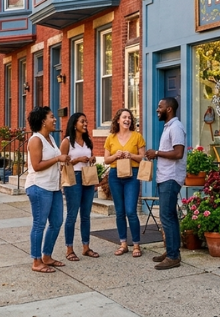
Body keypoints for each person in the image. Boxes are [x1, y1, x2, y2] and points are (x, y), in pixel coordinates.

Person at [25, 106, 70, 274]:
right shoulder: (35, 140)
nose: (55, 119)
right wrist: (58, 158)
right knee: (39, 224)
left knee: (57, 222)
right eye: (52, 116)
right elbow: (35, 166)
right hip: (39, 187)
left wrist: (62, 161)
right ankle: (36, 261)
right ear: (43, 121)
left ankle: (47, 256)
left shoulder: (50, 138)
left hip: (53, 187)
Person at [145, 97, 186, 270]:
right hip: (165, 177)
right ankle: (172, 250)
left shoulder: (176, 127)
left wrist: (156, 152)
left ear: (169, 109)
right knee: (170, 217)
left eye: (160, 107)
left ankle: (173, 256)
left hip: (171, 178)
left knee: (167, 217)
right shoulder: (169, 127)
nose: (157, 109)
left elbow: (178, 153)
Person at [104, 108, 147, 258]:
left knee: (131, 211)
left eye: (129, 117)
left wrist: (132, 155)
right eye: (124, 117)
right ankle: (123, 244)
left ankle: (136, 244)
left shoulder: (137, 136)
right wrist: (116, 155)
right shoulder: (111, 138)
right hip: (115, 175)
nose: (127, 119)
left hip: (132, 175)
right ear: (118, 120)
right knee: (120, 212)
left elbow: (143, 157)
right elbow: (106, 160)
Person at [60, 112, 99, 262]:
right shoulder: (67, 142)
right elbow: (62, 163)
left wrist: (92, 159)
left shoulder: (88, 141)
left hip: (87, 177)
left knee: (86, 215)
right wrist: (76, 161)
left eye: (86, 122)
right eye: (82, 121)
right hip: (73, 178)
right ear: (74, 123)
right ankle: (69, 249)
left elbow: (89, 156)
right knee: (72, 214)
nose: (85, 124)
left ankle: (86, 247)